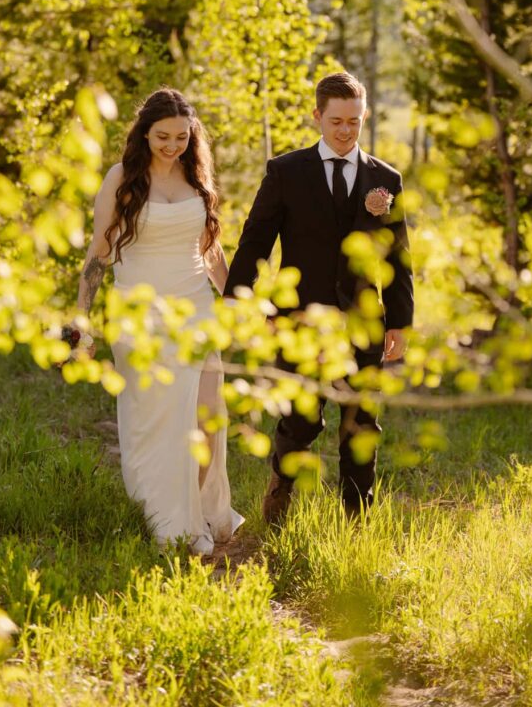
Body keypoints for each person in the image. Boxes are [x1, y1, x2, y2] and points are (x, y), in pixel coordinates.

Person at [224, 71, 413, 522]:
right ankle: (281, 488)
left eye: (354, 121)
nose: (346, 130)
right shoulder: (286, 172)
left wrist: (400, 322)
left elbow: (399, 257)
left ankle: (357, 519)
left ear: (363, 117)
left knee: (361, 422)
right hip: (300, 321)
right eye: (336, 121)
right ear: (317, 117)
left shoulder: (385, 178)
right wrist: (245, 303)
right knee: (303, 418)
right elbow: (255, 243)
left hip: (363, 320)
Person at [77, 88, 243, 554]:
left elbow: (210, 250)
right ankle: (173, 519)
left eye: (182, 137)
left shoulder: (197, 175)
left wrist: (233, 299)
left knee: (209, 419)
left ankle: (198, 510)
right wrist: (81, 321)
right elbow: (99, 254)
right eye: (163, 137)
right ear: (144, 134)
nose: (173, 146)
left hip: (196, 310)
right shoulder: (122, 179)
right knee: (159, 423)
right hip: (140, 315)